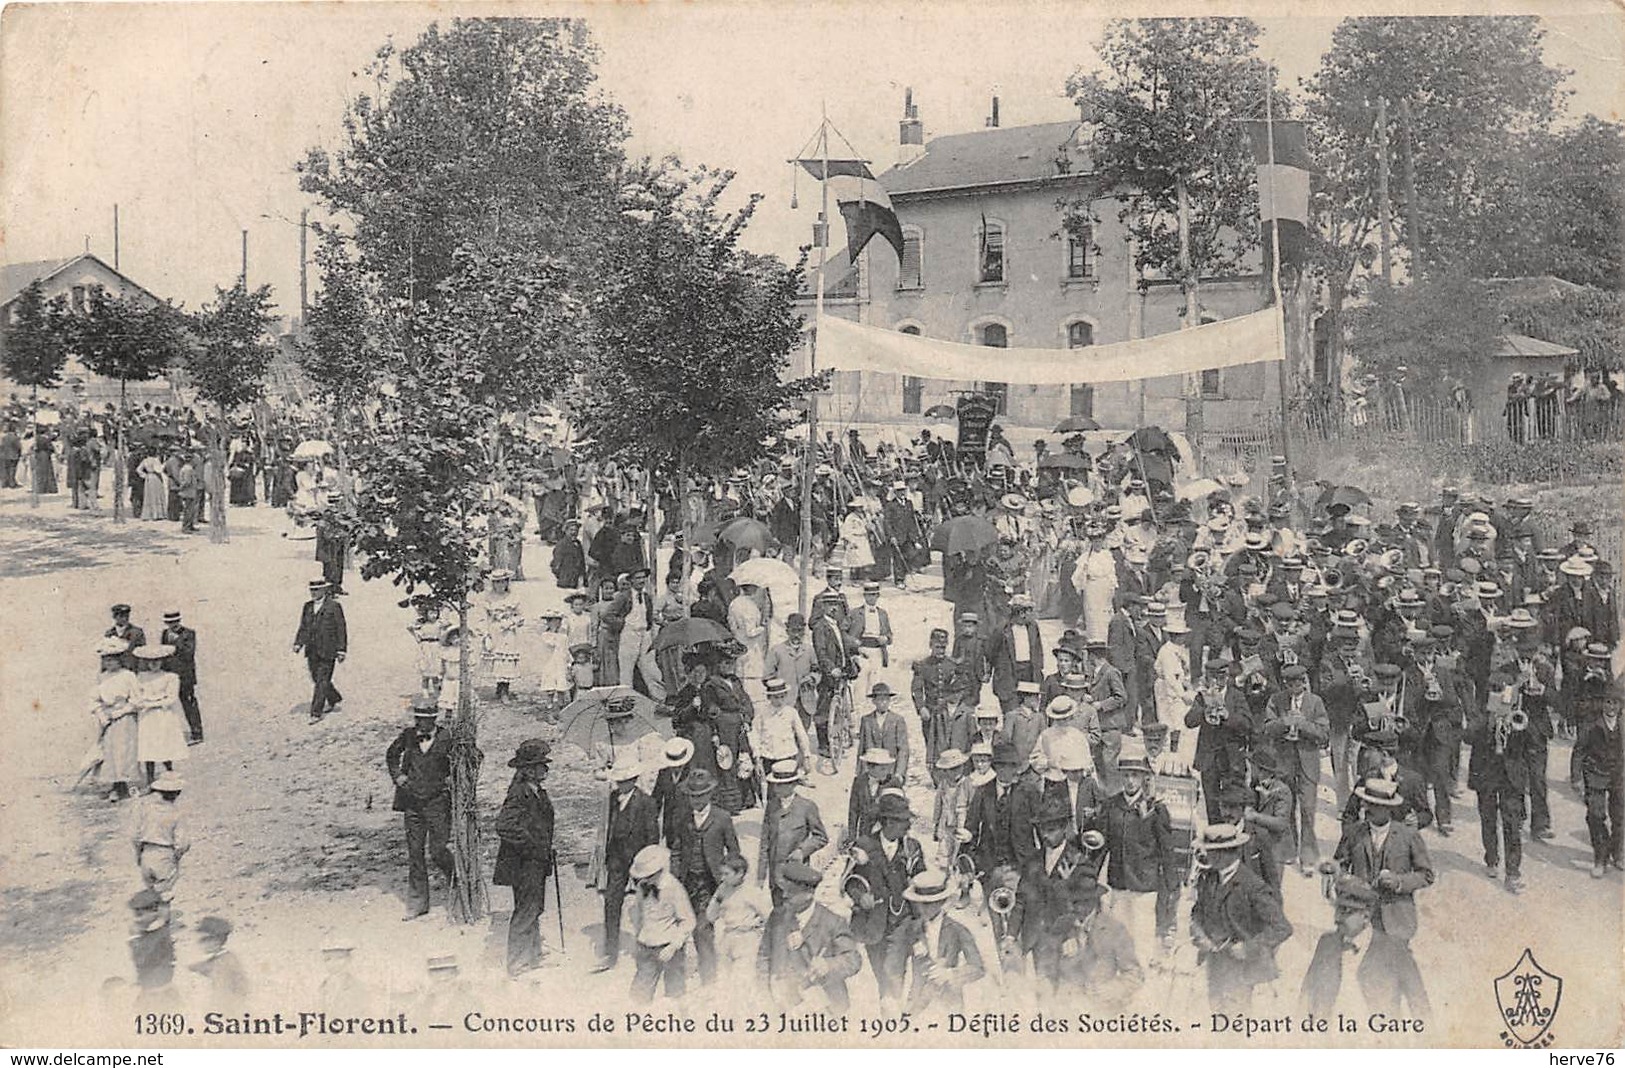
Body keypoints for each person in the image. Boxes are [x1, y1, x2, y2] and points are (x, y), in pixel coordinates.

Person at [1188, 823, 1293, 1012]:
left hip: (1242, 969)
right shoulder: (1209, 878)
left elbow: (1282, 927)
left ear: (1228, 853)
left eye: (1212, 852)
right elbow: (1197, 913)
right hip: (1214, 964)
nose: (1207, 856)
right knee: (1216, 1014)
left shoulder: (1252, 886)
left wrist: (1248, 947)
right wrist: (1199, 935)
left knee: (1236, 1023)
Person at [1335, 777, 1435, 962]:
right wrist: (1347, 882)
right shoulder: (1353, 833)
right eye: (1367, 804)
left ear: (1389, 809)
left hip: (1395, 916)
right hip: (1358, 917)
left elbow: (1426, 875)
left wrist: (1399, 882)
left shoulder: (1408, 836)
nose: (1368, 809)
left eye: (1376, 805)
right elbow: (1338, 866)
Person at [1300, 875, 1429, 1018]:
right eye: (1337, 910)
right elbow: (1306, 997)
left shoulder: (1395, 949)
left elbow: (1421, 1008)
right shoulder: (1326, 943)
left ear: (1366, 916)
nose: (1336, 919)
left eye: (1345, 911)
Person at [757, 861, 863, 1010]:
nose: (785, 895)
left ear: (809, 894)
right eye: (784, 890)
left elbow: (853, 959)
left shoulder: (833, 922)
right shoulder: (777, 917)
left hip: (823, 1007)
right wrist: (765, 994)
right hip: (783, 1004)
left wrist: (828, 965)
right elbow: (764, 956)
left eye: (791, 892)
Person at [385, 699, 455, 920]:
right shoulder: (408, 736)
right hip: (412, 803)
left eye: (425, 721)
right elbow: (391, 755)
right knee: (415, 853)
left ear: (434, 719)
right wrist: (398, 776)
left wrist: (452, 779)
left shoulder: (447, 737)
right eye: (418, 720)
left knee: (438, 850)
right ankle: (417, 903)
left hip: (437, 803)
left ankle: (456, 882)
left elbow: (470, 758)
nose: (420, 725)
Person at [493, 738, 556, 976]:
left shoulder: (535, 790)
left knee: (534, 907)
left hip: (535, 861)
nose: (546, 769)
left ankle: (533, 955)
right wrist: (532, 845)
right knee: (527, 909)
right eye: (541, 765)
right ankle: (517, 962)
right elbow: (504, 826)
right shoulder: (519, 793)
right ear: (529, 769)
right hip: (524, 863)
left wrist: (545, 847)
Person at [672, 768, 740, 985]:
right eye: (692, 797)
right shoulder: (681, 818)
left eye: (700, 796)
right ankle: (677, 978)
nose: (696, 801)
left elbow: (734, 852)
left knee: (703, 927)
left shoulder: (722, 818)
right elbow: (675, 848)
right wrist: (675, 876)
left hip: (710, 882)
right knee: (683, 926)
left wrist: (728, 878)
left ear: (710, 794)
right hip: (686, 881)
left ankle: (708, 978)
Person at [594, 758, 659, 973]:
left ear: (634, 780)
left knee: (646, 904)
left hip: (639, 859)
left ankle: (650, 948)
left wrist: (649, 864)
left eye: (625, 781)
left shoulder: (647, 802)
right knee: (612, 902)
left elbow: (652, 836)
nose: (620, 785)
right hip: (616, 859)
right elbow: (608, 827)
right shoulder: (613, 798)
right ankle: (610, 952)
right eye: (618, 781)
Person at [1263, 664, 1330, 873]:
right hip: (1284, 762)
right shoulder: (1276, 700)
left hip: (1308, 762)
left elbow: (1324, 734)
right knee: (1286, 807)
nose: (1294, 687)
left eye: (1298, 682)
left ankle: (1308, 854)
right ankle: (1287, 850)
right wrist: (1285, 722)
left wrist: (1303, 725)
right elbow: (1267, 727)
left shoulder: (1315, 702)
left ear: (1304, 682)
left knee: (1308, 809)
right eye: (1290, 683)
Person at [894, 869, 985, 1012]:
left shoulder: (957, 929)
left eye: (929, 903)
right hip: (917, 1004)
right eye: (920, 903)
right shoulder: (910, 929)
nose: (923, 909)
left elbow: (978, 968)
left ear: (941, 902)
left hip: (950, 1003)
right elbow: (895, 964)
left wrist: (950, 975)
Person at [627, 844, 696, 1003]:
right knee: (640, 993)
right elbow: (639, 913)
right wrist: (638, 937)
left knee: (675, 993)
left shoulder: (673, 887)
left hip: (668, 947)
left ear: (658, 872)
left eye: (647, 876)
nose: (643, 880)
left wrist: (674, 945)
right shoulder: (642, 886)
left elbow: (688, 920)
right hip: (647, 944)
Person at [758, 760, 828, 904]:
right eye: (774, 784)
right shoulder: (772, 807)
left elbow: (821, 837)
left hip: (797, 876)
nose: (776, 788)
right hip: (775, 876)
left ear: (793, 784)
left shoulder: (806, 807)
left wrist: (802, 851)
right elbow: (765, 841)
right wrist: (761, 875)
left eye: (781, 784)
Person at [90, 637, 140, 802]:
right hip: (108, 718)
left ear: (120, 660)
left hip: (125, 718)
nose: (109, 663)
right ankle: (115, 787)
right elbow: (94, 698)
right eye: (106, 660)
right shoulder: (102, 677)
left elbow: (136, 699)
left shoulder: (128, 676)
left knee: (126, 752)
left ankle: (130, 785)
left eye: (113, 660)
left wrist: (122, 712)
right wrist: (101, 715)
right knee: (110, 753)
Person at [1580, 684, 1622, 877]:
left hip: (1619, 776)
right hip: (1596, 774)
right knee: (1595, 816)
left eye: (1615, 703)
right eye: (1607, 702)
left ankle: (1618, 853)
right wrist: (1576, 780)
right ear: (1602, 704)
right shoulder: (1591, 723)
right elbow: (1578, 751)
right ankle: (1600, 857)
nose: (1611, 707)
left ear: (1621, 706)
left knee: (1620, 816)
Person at [293, 578, 347, 722]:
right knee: (316, 677)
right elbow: (303, 627)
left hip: (329, 649)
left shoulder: (334, 606)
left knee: (322, 680)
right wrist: (298, 643)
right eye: (312, 590)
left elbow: (341, 629)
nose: (313, 593)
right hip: (312, 649)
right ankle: (334, 697)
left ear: (324, 590)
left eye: (316, 590)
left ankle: (316, 713)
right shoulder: (308, 607)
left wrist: (341, 650)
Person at [132, 645, 186, 784]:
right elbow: (136, 695)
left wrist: (150, 704)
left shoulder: (170, 677)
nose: (154, 664)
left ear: (163, 661)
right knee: (148, 746)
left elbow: (171, 698)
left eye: (157, 660)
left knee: (164, 744)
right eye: (150, 661)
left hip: (163, 715)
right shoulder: (141, 677)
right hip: (147, 717)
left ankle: (170, 773)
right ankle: (150, 780)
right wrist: (139, 703)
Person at [132, 772, 189, 900]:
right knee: (165, 892)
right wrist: (177, 855)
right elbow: (183, 842)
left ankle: (153, 909)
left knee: (152, 887)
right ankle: (163, 918)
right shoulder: (176, 813)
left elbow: (135, 835)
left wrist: (138, 853)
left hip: (146, 852)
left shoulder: (146, 809)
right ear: (177, 793)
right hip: (165, 853)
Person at [158, 611, 203, 745]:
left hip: (185, 675)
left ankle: (197, 733)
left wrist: (173, 645)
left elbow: (189, 653)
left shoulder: (189, 633)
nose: (172, 625)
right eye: (169, 623)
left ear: (179, 621)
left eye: (175, 622)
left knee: (188, 703)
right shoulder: (165, 634)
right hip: (169, 675)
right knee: (166, 704)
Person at [189, 916, 249, 1012]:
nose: (200, 944)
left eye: (204, 940)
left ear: (216, 941)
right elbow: (202, 967)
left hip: (228, 1008)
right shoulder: (218, 958)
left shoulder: (226, 960)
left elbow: (239, 985)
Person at [106, 603, 147, 671]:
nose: (124, 618)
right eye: (121, 616)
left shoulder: (137, 632)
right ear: (114, 617)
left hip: (132, 668)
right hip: (115, 670)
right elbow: (106, 654)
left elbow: (142, 653)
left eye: (127, 616)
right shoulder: (109, 633)